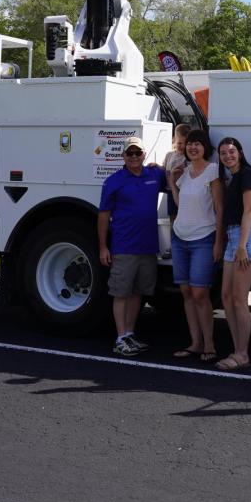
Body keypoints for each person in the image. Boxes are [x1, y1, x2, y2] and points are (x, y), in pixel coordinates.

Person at [97, 136, 165, 356]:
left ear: (145, 154)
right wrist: (103, 247)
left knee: (138, 293)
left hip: (147, 247)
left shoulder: (154, 174)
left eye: (138, 153)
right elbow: (103, 216)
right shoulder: (114, 181)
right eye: (130, 153)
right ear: (123, 156)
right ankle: (120, 338)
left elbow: (177, 176)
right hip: (124, 246)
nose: (134, 157)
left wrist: (162, 166)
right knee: (121, 293)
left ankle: (129, 334)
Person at [168, 129, 222, 363]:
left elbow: (220, 209)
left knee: (200, 292)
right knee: (186, 292)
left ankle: (209, 345)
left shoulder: (213, 171)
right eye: (190, 144)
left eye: (198, 144)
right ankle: (195, 343)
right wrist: (172, 182)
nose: (192, 147)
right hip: (180, 237)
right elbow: (181, 204)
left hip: (203, 238)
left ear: (205, 148)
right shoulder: (186, 172)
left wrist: (219, 242)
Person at [216, 136, 251, 371]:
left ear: (240, 153)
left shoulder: (247, 176)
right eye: (223, 153)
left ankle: (242, 354)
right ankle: (237, 349)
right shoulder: (232, 178)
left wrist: (242, 246)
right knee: (225, 296)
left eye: (232, 152)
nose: (228, 156)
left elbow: (250, 211)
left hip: (247, 238)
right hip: (233, 239)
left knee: (238, 299)